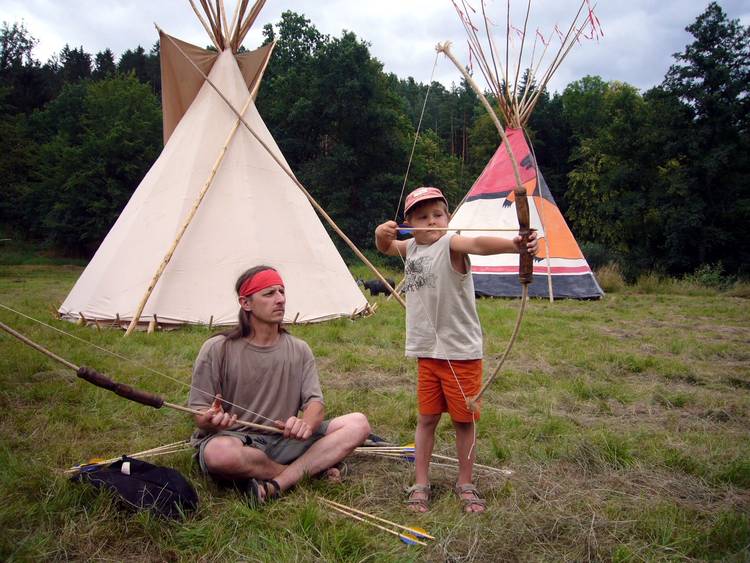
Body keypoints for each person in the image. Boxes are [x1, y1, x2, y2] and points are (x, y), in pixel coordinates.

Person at [374, 187, 538, 514]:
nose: (432, 222)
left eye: (438, 215)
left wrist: (515, 244)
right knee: (426, 419)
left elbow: (477, 244)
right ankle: (421, 482)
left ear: (449, 218)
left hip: (461, 354)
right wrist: (381, 234)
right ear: (409, 224)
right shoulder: (411, 247)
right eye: (422, 217)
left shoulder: (451, 244)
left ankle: (466, 483)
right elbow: (387, 247)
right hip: (427, 353)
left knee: (464, 422)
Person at [188, 265, 371, 504]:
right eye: (269, 293)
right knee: (219, 454)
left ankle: (277, 484)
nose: (280, 299)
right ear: (246, 303)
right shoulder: (217, 348)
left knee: (358, 424)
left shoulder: (299, 349)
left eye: (282, 292)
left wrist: (305, 424)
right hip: (236, 440)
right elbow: (199, 413)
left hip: (285, 440)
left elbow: (315, 404)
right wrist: (210, 419)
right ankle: (307, 471)